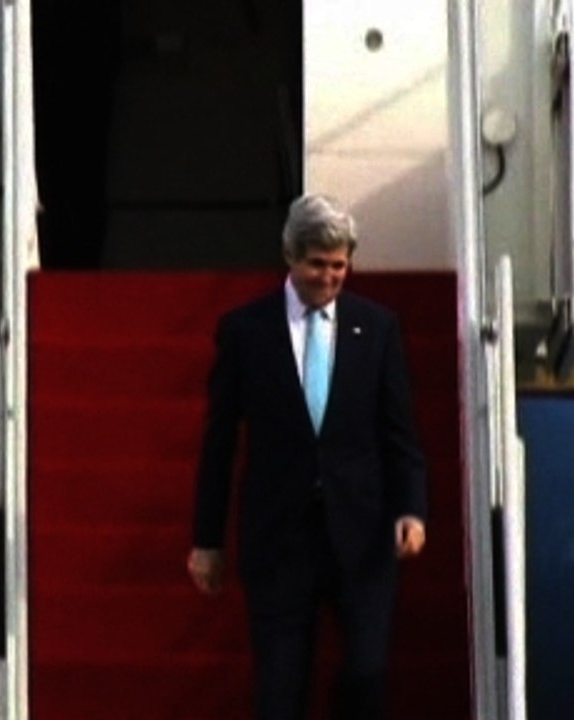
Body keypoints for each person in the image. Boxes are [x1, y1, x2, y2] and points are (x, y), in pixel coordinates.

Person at [187, 194, 427, 720]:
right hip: (280, 539)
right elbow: (220, 439)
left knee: (366, 675)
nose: (330, 276)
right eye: (318, 263)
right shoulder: (246, 331)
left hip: (362, 537)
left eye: (339, 264)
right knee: (280, 689)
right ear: (291, 258)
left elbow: (399, 433)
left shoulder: (377, 328)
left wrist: (411, 509)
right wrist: (207, 539)